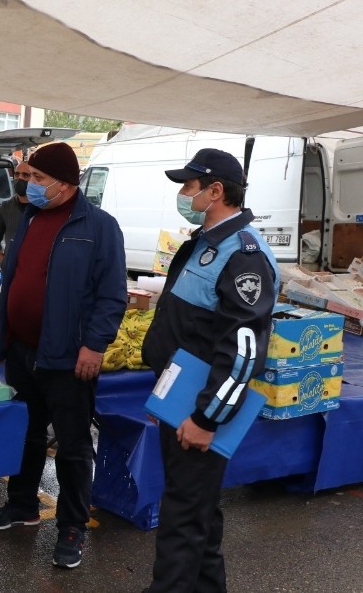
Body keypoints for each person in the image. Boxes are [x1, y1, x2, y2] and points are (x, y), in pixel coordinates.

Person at [0, 141, 126, 570]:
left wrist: (94, 345)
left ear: (64, 183)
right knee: (26, 434)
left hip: (67, 357)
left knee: (73, 445)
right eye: (28, 176)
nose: (29, 184)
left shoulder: (99, 226)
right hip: (23, 350)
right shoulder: (29, 217)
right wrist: (0, 327)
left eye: (38, 178)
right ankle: (22, 505)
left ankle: (72, 526)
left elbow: (112, 294)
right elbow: (13, 279)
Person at [141, 148, 278, 592]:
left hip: (200, 409)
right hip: (178, 400)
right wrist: (164, 399)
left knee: (182, 516)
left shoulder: (244, 256)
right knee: (197, 510)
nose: (183, 194)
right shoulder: (203, 242)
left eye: (189, 186)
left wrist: (206, 418)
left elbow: (242, 352)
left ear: (216, 191)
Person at [0, 160, 32, 266]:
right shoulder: (5, 207)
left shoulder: (44, 207)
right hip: (12, 271)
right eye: (17, 174)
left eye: (25, 175)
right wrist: (2, 260)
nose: (19, 178)